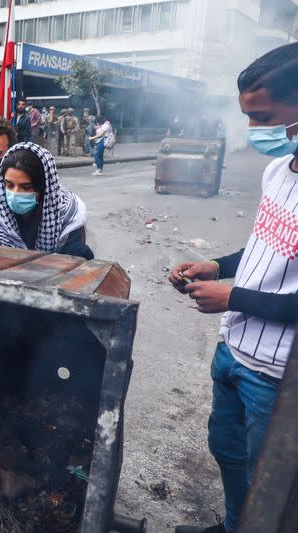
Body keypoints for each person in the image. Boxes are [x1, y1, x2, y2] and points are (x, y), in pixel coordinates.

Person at [170, 42, 298, 533]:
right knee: (228, 454)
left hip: (278, 378)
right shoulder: (276, 172)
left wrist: (233, 298)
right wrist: (215, 265)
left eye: (263, 116)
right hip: (234, 351)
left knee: (273, 486)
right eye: (247, 118)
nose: (254, 132)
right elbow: (267, 248)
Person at [0, 143, 93, 260]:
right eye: (9, 185)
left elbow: (74, 257)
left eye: (26, 187)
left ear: (43, 187)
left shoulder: (65, 212)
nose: (15, 193)